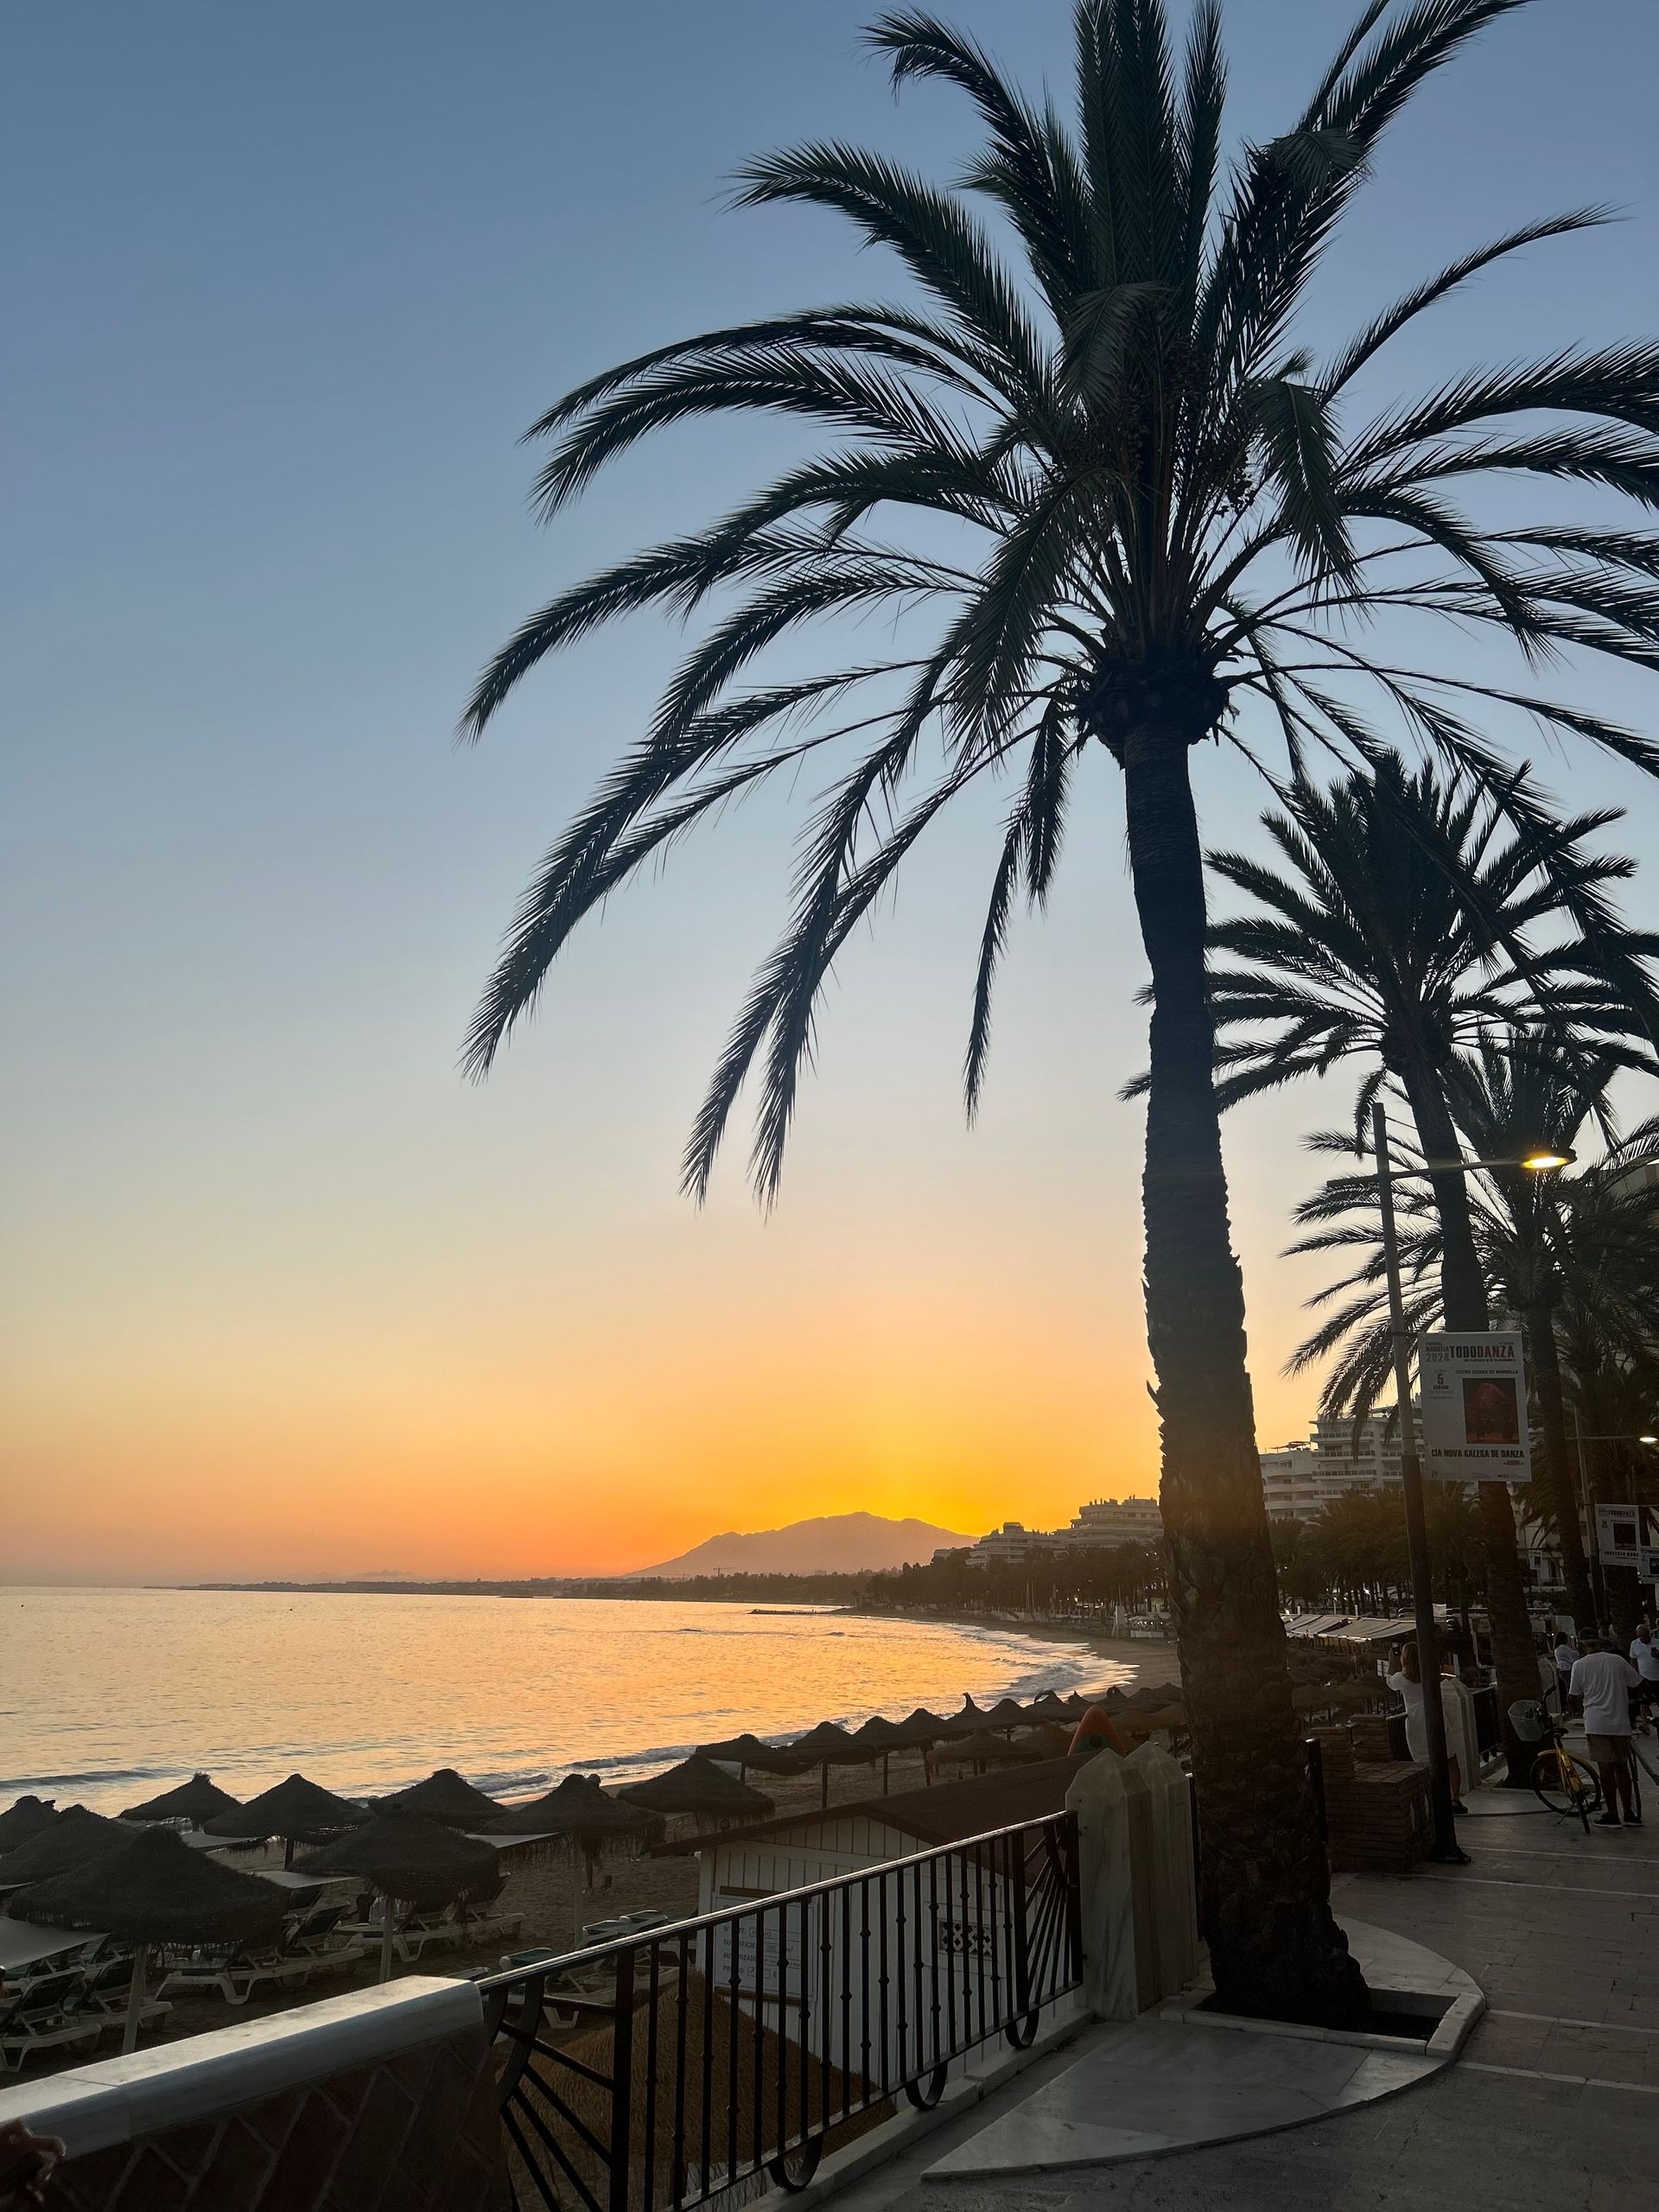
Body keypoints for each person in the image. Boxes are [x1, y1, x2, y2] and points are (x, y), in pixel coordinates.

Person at [1567, 1636, 1643, 1827]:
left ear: (1582, 1647)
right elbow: (1638, 1683)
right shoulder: (1617, 1661)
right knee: (1622, 1768)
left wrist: (1578, 1710)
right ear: (1601, 1646)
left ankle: (1612, 1814)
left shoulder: (1579, 1665)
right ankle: (1629, 1813)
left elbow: (1573, 1695)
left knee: (1605, 1770)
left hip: (1596, 1724)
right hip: (1620, 1723)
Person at [1387, 1638, 1466, 1810]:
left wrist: (1392, 1663)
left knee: (1423, 1764)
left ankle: (1432, 1800)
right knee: (1451, 1759)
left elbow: (1389, 1682)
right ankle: (1455, 1798)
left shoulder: (1401, 1678)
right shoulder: (1430, 1673)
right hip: (1435, 1716)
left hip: (1415, 1722)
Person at [1629, 1622, 1659, 1722]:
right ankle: (1647, 1723)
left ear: (1648, 1634)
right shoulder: (1634, 1644)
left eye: (1644, 1635)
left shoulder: (1657, 1642)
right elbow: (1633, 1660)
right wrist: (1635, 1676)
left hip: (1657, 1677)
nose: (1643, 1638)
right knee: (1644, 1702)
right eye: (1640, 1636)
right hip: (1644, 1678)